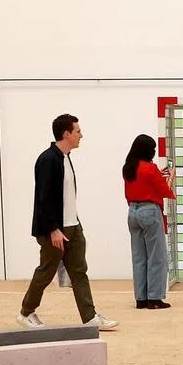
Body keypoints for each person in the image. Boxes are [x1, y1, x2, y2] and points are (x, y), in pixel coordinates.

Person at [17, 114, 117, 331]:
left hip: (73, 226)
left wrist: (76, 224)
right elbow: (44, 198)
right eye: (78, 131)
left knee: (79, 271)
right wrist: (53, 229)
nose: (81, 135)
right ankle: (26, 312)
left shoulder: (65, 157)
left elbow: (67, 196)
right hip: (54, 229)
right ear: (66, 134)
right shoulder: (48, 160)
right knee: (46, 271)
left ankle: (90, 318)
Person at [122, 134, 174, 310]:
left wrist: (159, 174)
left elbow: (140, 183)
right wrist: (171, 176)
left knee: (139, 257)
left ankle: (141, 298)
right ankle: (154, 298)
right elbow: (165, 190)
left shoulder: (128, 167)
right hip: (150, 212)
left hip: (133, 212)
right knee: (156, 256)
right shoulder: (150, 168)